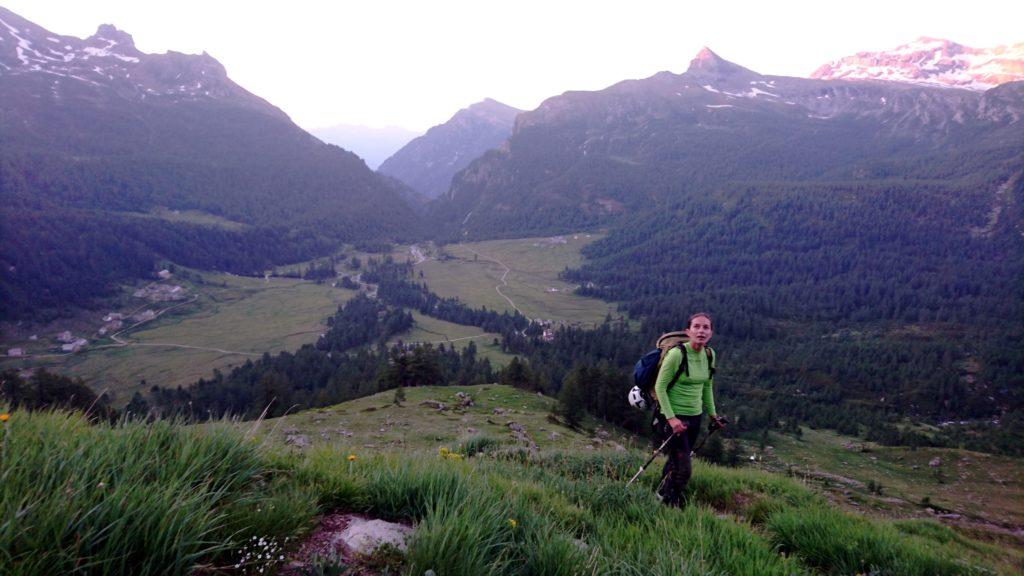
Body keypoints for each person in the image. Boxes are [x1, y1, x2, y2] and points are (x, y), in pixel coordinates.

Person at [653, 312, 725, 507]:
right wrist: (671, 419)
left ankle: (660, 495)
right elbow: (660, 387)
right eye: (696, 327)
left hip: (694, 417)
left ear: (711, 332)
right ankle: (672, 503)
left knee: (675, 462)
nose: (701, 331)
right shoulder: (677, 354)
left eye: (706, 327)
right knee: (684, 469)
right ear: (688, 331)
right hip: (672, 417)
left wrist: (713, 414)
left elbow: (707, 386)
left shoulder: (709, 355)